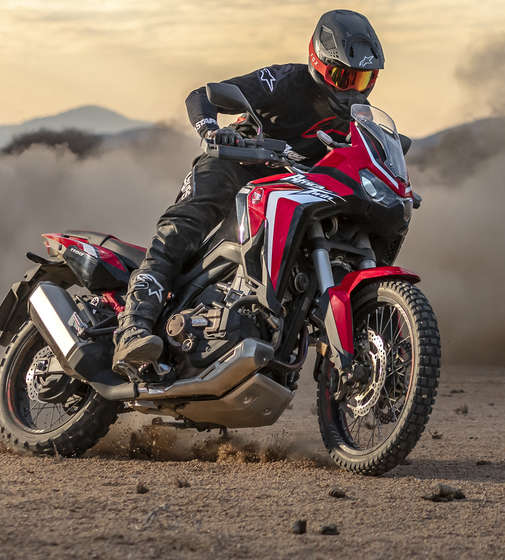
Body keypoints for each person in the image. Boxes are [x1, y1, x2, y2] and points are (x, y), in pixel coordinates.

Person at [112, 9, 386, 370]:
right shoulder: (284, 81)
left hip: (290, 188)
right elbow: (201, 96)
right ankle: (133, 327)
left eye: (363, 79)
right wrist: (211, 130)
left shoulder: (360, 117)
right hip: (235, 163)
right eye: (343, 76)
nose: (352, 89)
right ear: (319, 63)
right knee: (180, 231)